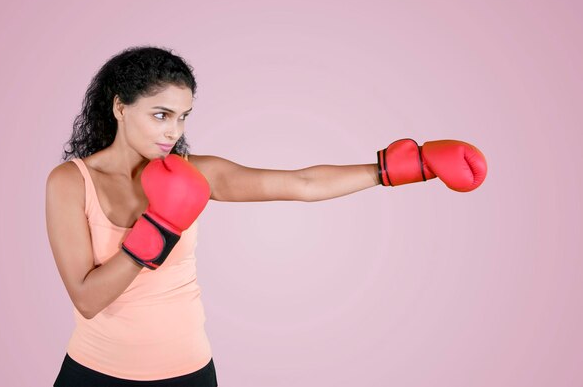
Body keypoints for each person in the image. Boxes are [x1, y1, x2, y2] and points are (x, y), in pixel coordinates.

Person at [45, 46, 487, 386]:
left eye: (182, 117)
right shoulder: (70, 182)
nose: (172, 132)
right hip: (95, 373)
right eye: (160, 115)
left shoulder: (196, 173)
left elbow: (301, 184)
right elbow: (87, 298)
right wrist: (161, 226)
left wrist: (400, 169)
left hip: (187, 373)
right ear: (121, 107)